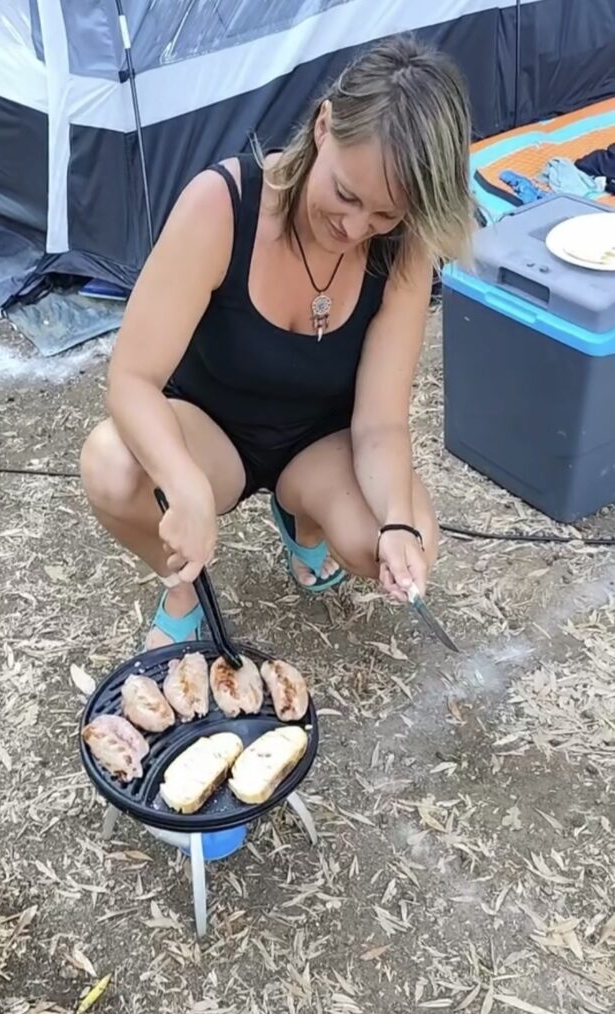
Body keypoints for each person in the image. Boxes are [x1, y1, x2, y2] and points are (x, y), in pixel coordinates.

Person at [80, 36, 473, 650]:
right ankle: (184, 589)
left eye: (384, 215)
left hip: (321, 443)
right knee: (112, 466)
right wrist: (184, 486)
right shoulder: (222, 205)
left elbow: (379, 423)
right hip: (212, 431)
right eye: (346, 194)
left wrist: (398, 524)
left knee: (401, 538)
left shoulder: (405, 250)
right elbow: (131, 379)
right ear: (323, 125)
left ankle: (303, 520)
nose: (355, 228)